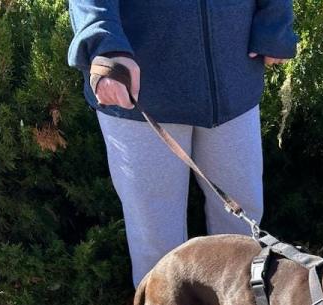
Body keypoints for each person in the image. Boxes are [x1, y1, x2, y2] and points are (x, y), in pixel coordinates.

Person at [67, 1, 298, 286]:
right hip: (143, 95)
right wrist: (104, 45)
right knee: (158, 242)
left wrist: (274, 23)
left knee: (242, 226)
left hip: (234, 82)